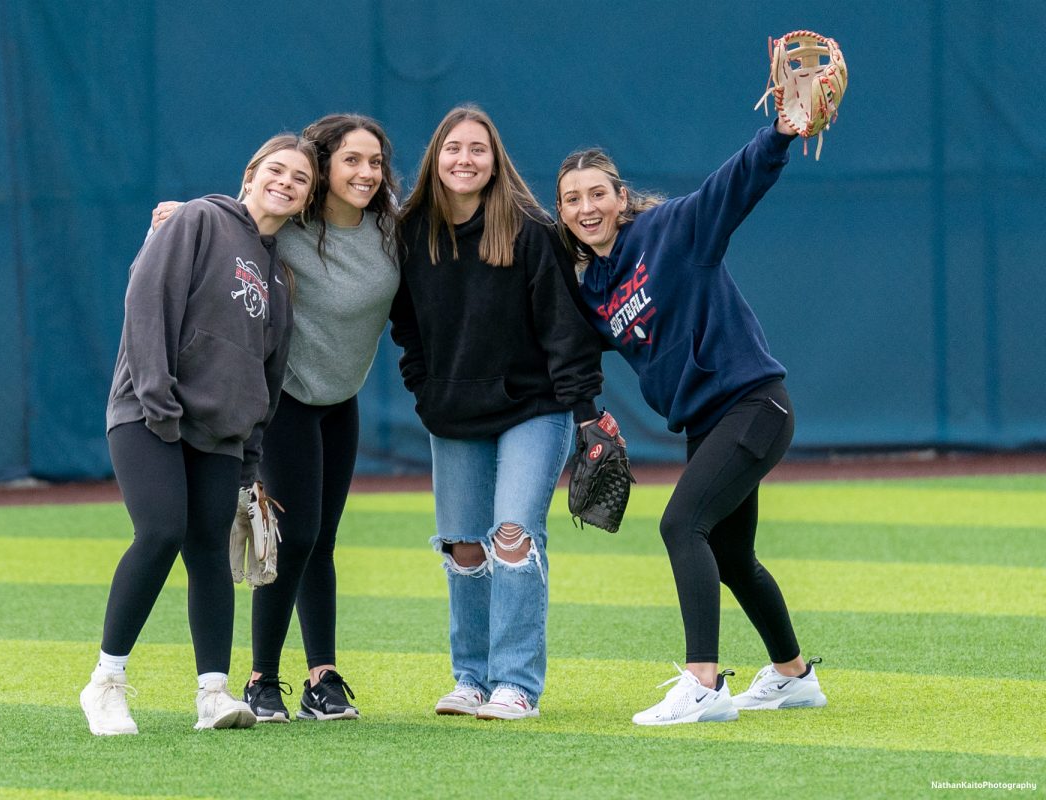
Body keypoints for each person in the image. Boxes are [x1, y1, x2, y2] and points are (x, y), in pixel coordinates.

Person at [554, 116, 828, 726]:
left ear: (621, 199)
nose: (587, 206)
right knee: (732, 558)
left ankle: (703, 684)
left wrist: (780, 133)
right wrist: (584, 416)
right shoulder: (592, 288)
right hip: (710, 423)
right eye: (572, 199)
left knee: (682, 524)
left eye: (598, 192)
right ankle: (794, 676)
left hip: (755, 404)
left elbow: (737, 182)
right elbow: (563, 349)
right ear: (564, 215)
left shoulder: (671, 230)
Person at [151, 114, 401, 723]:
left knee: (324, 540)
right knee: (296, 535)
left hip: (340, 400)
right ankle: (263, 679)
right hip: (285, 399)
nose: (365, 173)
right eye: (351, 161)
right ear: (324, 170)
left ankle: (323, 676)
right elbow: (239, 218)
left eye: (375, 162)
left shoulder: (392, 232)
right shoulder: (289, 229)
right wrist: (183, 213)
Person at [79, 134, 316, 736]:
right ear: (251, 173)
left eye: (301, 179)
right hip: (149, 412)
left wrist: (251, 456)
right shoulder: (199, 218)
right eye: (277, 170)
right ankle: (105, 683)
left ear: (307, 198)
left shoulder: (279, 280)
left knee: (209, 548)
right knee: (160, 531)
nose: (286, 182)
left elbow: (269, 370)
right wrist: (157, 397)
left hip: (221, 435)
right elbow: (146, 299)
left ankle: (213, 693)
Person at [389, 105, 604, 721]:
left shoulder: (531, 230)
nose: (465, 159)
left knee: (512, 536)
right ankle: (471, 679)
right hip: (454, 411)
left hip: (534, 408)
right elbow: (406, 329)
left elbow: (566, 331)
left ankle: (516, 685)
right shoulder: (411, 234)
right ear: (436, 157)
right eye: (454, 148)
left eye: (478, 149)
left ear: (495, 158)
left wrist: (586, 413)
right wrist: (425, 391)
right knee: (464, 548)